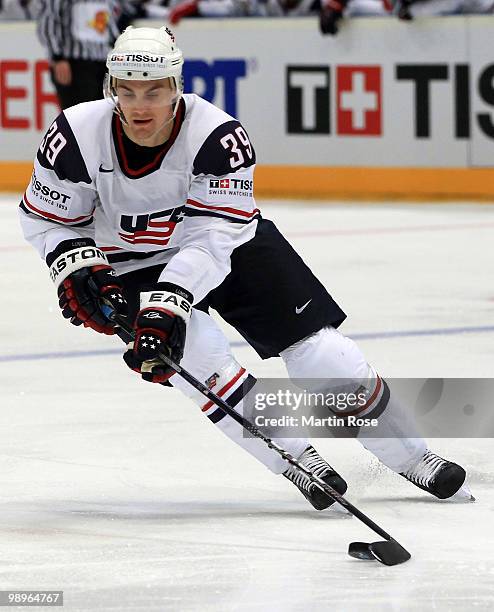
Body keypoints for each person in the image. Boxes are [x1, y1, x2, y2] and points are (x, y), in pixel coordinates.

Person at [20, 25, 473, 511]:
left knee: (324, 357)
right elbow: (50, 221)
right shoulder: (73, 135)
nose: (139, 106)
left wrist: (166, 302)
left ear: (176, 86)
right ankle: (300, 459)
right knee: (201, 360)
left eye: (154, 90)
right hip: (131, 263)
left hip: (231, 245)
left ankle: (412, 457)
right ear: (111, 88)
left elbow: (210, 241)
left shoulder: (218, 136)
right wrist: (75, 270)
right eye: (126, 91)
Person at [36, 0, 126, 109]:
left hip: (104, 62)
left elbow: (111, 22)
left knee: (105, 116)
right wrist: (58, 57)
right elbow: (48, 22)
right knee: (79, 117)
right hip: (74, 63)